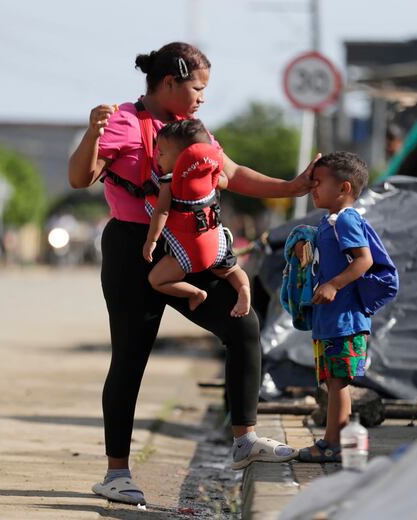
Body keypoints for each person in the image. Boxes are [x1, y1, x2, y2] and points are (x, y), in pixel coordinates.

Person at [68, 42, 316, 505]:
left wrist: (293, 185)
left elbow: (233, 171)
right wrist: (90, 135)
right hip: (132, 250)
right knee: (130, 358)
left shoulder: (193, 130)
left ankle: (245, 441)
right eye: (197, 88)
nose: (203, 97)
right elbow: (81, 177)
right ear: (169, 84)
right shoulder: (123, 121)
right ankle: (117, 473)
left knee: (243, 325)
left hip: (189, 245)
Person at [293, 152, 374, 463]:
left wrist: (333, 285)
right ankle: (334, 440)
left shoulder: (347, 220)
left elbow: (364, 260)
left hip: (345, 319)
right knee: (332, 381)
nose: (313, 188)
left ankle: (334, 444)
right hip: (329, 319)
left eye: (319, 183)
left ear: (344, 188)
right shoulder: (328, 222)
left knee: (337, 382)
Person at [142, 119, 251, 317]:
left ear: (183, 158)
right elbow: (224, 182)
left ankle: (195, 293)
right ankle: (243, 288)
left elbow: (162, 212)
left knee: (156, 280)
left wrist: (151, 241)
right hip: (218, 246)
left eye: (162, 153)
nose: (157, 157)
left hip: (189, 253)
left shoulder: (169, 181)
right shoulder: (210, 175)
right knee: (232, 271)